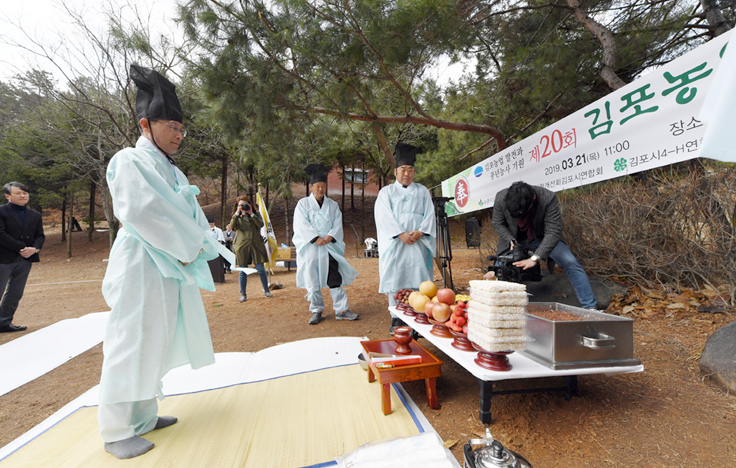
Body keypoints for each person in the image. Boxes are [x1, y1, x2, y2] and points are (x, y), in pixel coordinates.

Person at [97, 65, 231, 459]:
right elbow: (144, 212)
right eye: (171, 126)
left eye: (181, 128)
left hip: (168, 263)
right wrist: (194, 245)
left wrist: (201, 240)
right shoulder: (129, 161)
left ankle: (142, 417)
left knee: (156, 338)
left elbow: (186, 215)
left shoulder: (171, 168)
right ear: (145, 124)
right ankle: (117, 429)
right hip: (142, 261)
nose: (178, 134)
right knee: (131, 340)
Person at [491, 181, 597, 309]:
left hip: (541, 239)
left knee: (570, 261)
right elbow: (497, 223)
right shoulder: (501, 198)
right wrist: (510, 240)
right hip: (514, 240)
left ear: (533, 200)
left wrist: (535, 258)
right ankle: (496, 309)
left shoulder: (548, 198)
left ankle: (590, 307)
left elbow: (553, 232)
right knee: (497, 269)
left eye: (521, 212)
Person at [374, 143, 436, 334]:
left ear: (414, 171)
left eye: (410, 169)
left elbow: (429, 215)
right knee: (396, 279)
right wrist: (400, 234)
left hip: (418, 243)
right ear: (395, 172)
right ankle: (396, 317)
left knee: (419, 280)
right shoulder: (386, 193)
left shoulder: (423, 191)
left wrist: (420, 232)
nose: (407, 173)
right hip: (396, 244)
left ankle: (418, 315)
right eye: (403, 169)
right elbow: (383, 216)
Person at [293, 163, 359, 325]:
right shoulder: (303, 204)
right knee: (312, 278)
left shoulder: (333, 205)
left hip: (329, 246)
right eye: (317, 186)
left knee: (334, 277)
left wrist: (329, 237)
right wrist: (315, 238)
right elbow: (301, 225)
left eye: (323, 186)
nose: (321, 189)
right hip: (311, 248)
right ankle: (316, 310)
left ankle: (341, 310)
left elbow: (337, 223)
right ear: (311, 187)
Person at [0, 182, 45, 333]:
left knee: (15, 293)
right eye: (18, 193)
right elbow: (1, 235)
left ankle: (4, 323)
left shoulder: (35, 215)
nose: (23, 195)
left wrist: (35, 249)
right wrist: (21, 248)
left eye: (25, 193)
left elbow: (40, 235)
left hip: (25, 259)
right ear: (8, 196)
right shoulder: (1, 212)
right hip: (3, 258)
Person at [231, 196, 273, 302]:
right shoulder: (237, 216)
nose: (244, 206)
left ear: (250, 205)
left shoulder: (255, 214)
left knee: (261, 269)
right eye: (241, 204)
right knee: (243, 270)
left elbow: (261, 224)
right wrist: (237, 212)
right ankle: (243, 294)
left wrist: (251, 213)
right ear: (237, 206)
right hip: (242, 246)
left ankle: (266, 290)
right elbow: (232, 226)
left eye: (246, 204)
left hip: (256, 245)